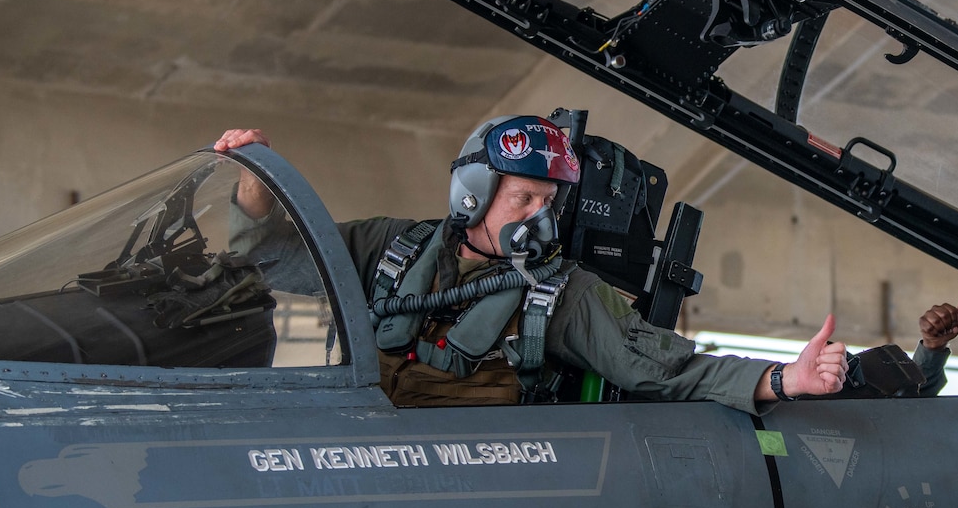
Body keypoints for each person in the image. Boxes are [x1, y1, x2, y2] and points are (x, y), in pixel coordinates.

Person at [213, 120, 845, 412]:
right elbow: (271, 264)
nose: (540, 219)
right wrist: (254, 186)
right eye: (524, 199)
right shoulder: (390, 249)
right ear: (473, 195)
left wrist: (785, 379)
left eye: (549, 203)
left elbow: (664, 369)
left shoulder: (561, 296)